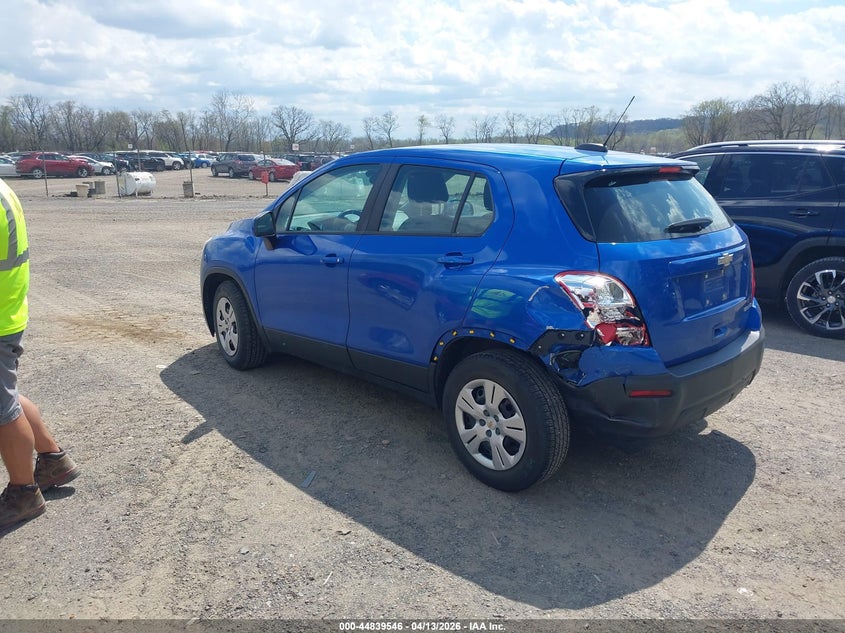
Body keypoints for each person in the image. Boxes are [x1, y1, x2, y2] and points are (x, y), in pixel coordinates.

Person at [0, 177, 79, 529]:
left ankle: (23, 493)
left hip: (1, 315)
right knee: (6, 395)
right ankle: (51, 459)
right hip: (8, 309)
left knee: (2, 407)